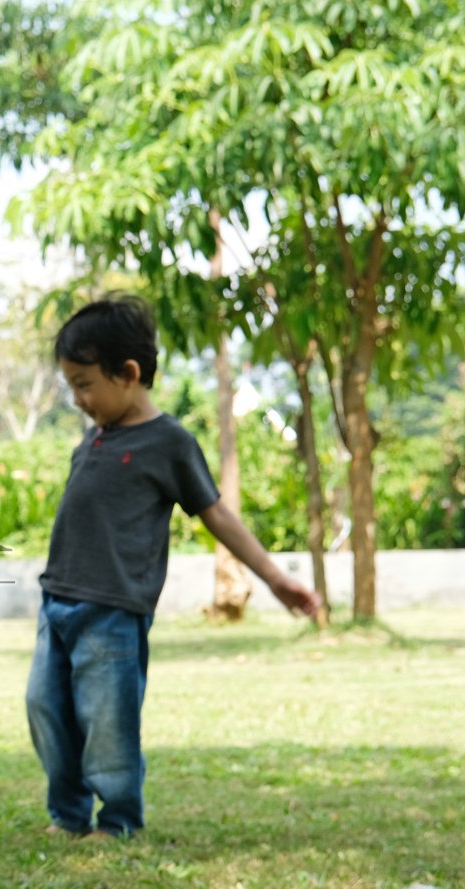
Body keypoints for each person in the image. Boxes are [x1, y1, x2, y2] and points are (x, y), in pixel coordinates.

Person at [27, 295, 321, 840]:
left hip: (114, 612)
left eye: (84, 383)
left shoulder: (168, 442)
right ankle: (67, 816)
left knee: (109, 726)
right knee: (46, 710)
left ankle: (116, 822)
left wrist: (276, 579)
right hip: (58, 600)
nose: (78, 398)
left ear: (129, 373)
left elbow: (217, 515)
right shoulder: (92, 438)